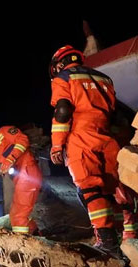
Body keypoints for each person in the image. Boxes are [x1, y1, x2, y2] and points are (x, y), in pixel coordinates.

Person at [48, 44, 122, 253]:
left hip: (82, 136)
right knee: (108, 191)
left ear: (60, 63)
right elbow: (115, 113)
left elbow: (63, 111)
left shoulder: (64, 77)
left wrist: (57, 145)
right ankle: (120, 237)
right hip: (106, 136)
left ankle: (108, 243)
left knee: (89, 189)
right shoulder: (104, 79)